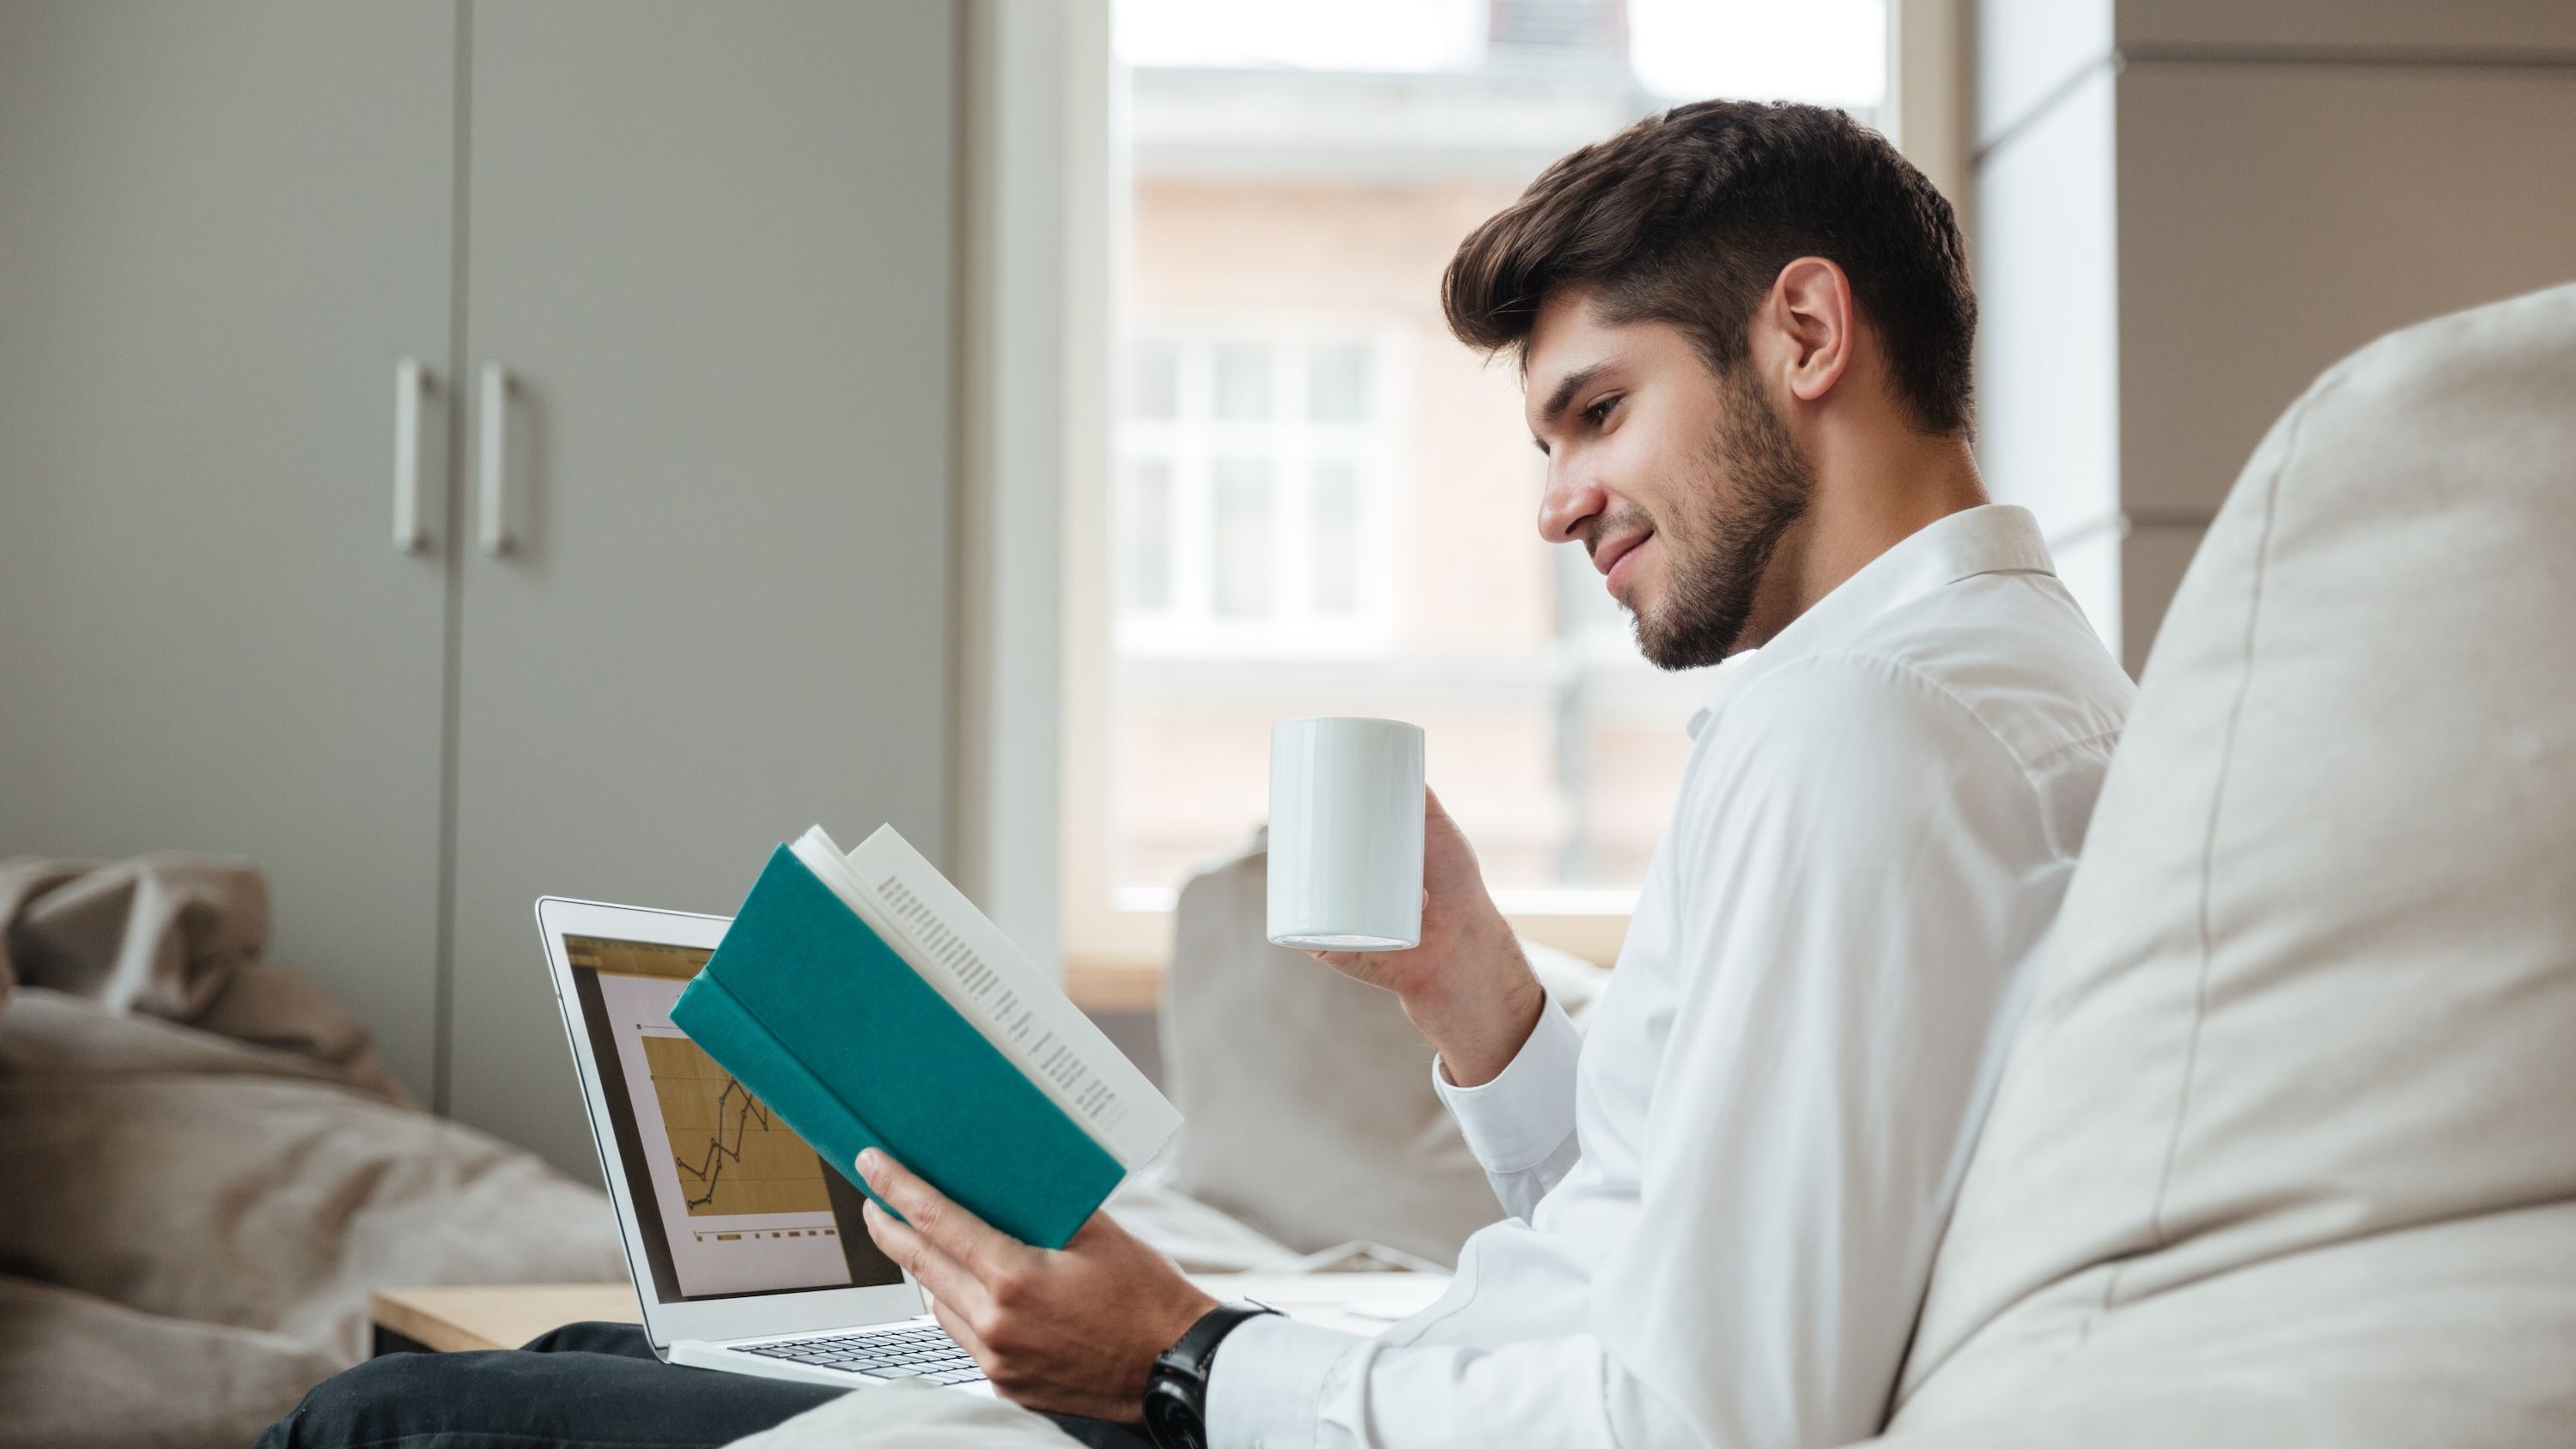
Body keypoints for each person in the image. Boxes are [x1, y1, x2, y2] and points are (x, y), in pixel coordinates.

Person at [262, 99, 2133, 1449]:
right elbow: (1676, 1222)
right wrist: (1473, 991)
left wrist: (1181, 1359)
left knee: (383, 1419)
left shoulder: (1868, 735)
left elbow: (1704, 1414)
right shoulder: (1977, 693)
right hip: (1397, 1388)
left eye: (1595, 411)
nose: (1555, 501)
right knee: (599, 1347)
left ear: (1805, 334)